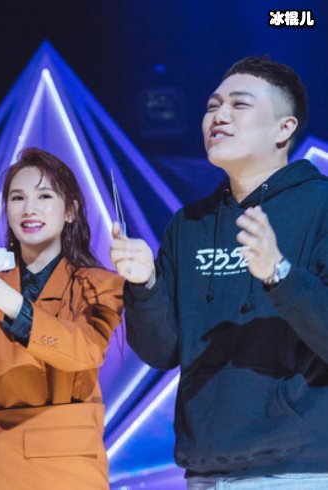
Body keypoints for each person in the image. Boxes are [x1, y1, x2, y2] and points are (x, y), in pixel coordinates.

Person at [111, 55, 328, 488]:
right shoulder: (188, 224)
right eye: (212, 106)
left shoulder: (320, 206)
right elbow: (161, 352)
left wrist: (279, 273)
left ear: (284, 129)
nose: (219, 116)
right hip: (205, 472)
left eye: (239, 105)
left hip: (298, 470)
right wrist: (145, 285)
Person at [0, 148, 124, 490]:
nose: (29, 209)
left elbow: (85, 350)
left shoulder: (99, 285)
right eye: (17, 198)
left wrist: (11, 303)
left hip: (63, 467)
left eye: (44, 196)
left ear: (71, 210)